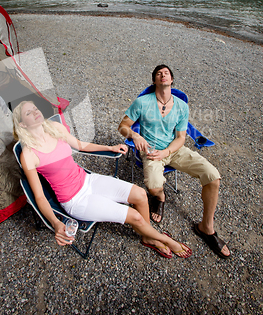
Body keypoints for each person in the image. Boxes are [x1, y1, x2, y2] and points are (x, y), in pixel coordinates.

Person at [12, 100, 192, 259]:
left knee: (140, 195)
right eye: (29, 112)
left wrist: (110, 147)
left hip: (88, 180)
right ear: (22, 124)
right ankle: (164, 238)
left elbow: (80, 145)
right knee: (135, 217)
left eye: (35, 108)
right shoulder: (29, 154)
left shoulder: (55, 128)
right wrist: (56, 223)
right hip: (76, 200)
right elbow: (39, 197)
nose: (36, 112)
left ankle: (148, 236)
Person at [118, 64, 230, 259]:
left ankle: (206, 227)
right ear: (154, 81)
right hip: (151, 151)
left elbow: (180, 138)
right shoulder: (142, 102)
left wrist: (167, 152)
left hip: (174, 150)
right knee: (153, 186)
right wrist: (134, 136)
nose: (163, 75)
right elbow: (123, 126)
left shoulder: (181, 106)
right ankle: (160, 197)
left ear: (171, 80)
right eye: (159, 74)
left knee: (212, 176)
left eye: (167, 73)